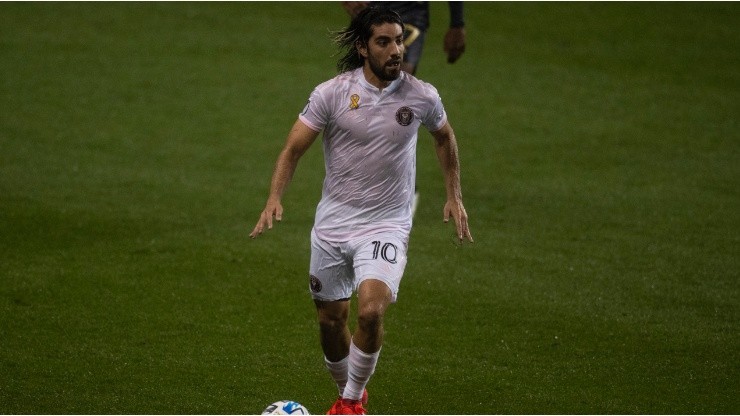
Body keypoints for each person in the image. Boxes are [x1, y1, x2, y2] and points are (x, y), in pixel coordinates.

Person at [250, 7, 473, 415]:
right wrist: (274, 197)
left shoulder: (421, 95)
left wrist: (453, 195)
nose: (395, 51)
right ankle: (350, 390)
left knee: (370, 312)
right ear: (362, 47)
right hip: (334, 224)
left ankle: (350, 403)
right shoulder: (332, 93)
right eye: (383, 42)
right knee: (331, 323)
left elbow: (445, 137)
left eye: (398, 40)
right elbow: (293, 148)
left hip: (386, 223)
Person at [341, 1, 467, 75]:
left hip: (410, 11)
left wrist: (457, 23)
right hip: (369, 8)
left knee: (396, 77)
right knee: (361, 81)